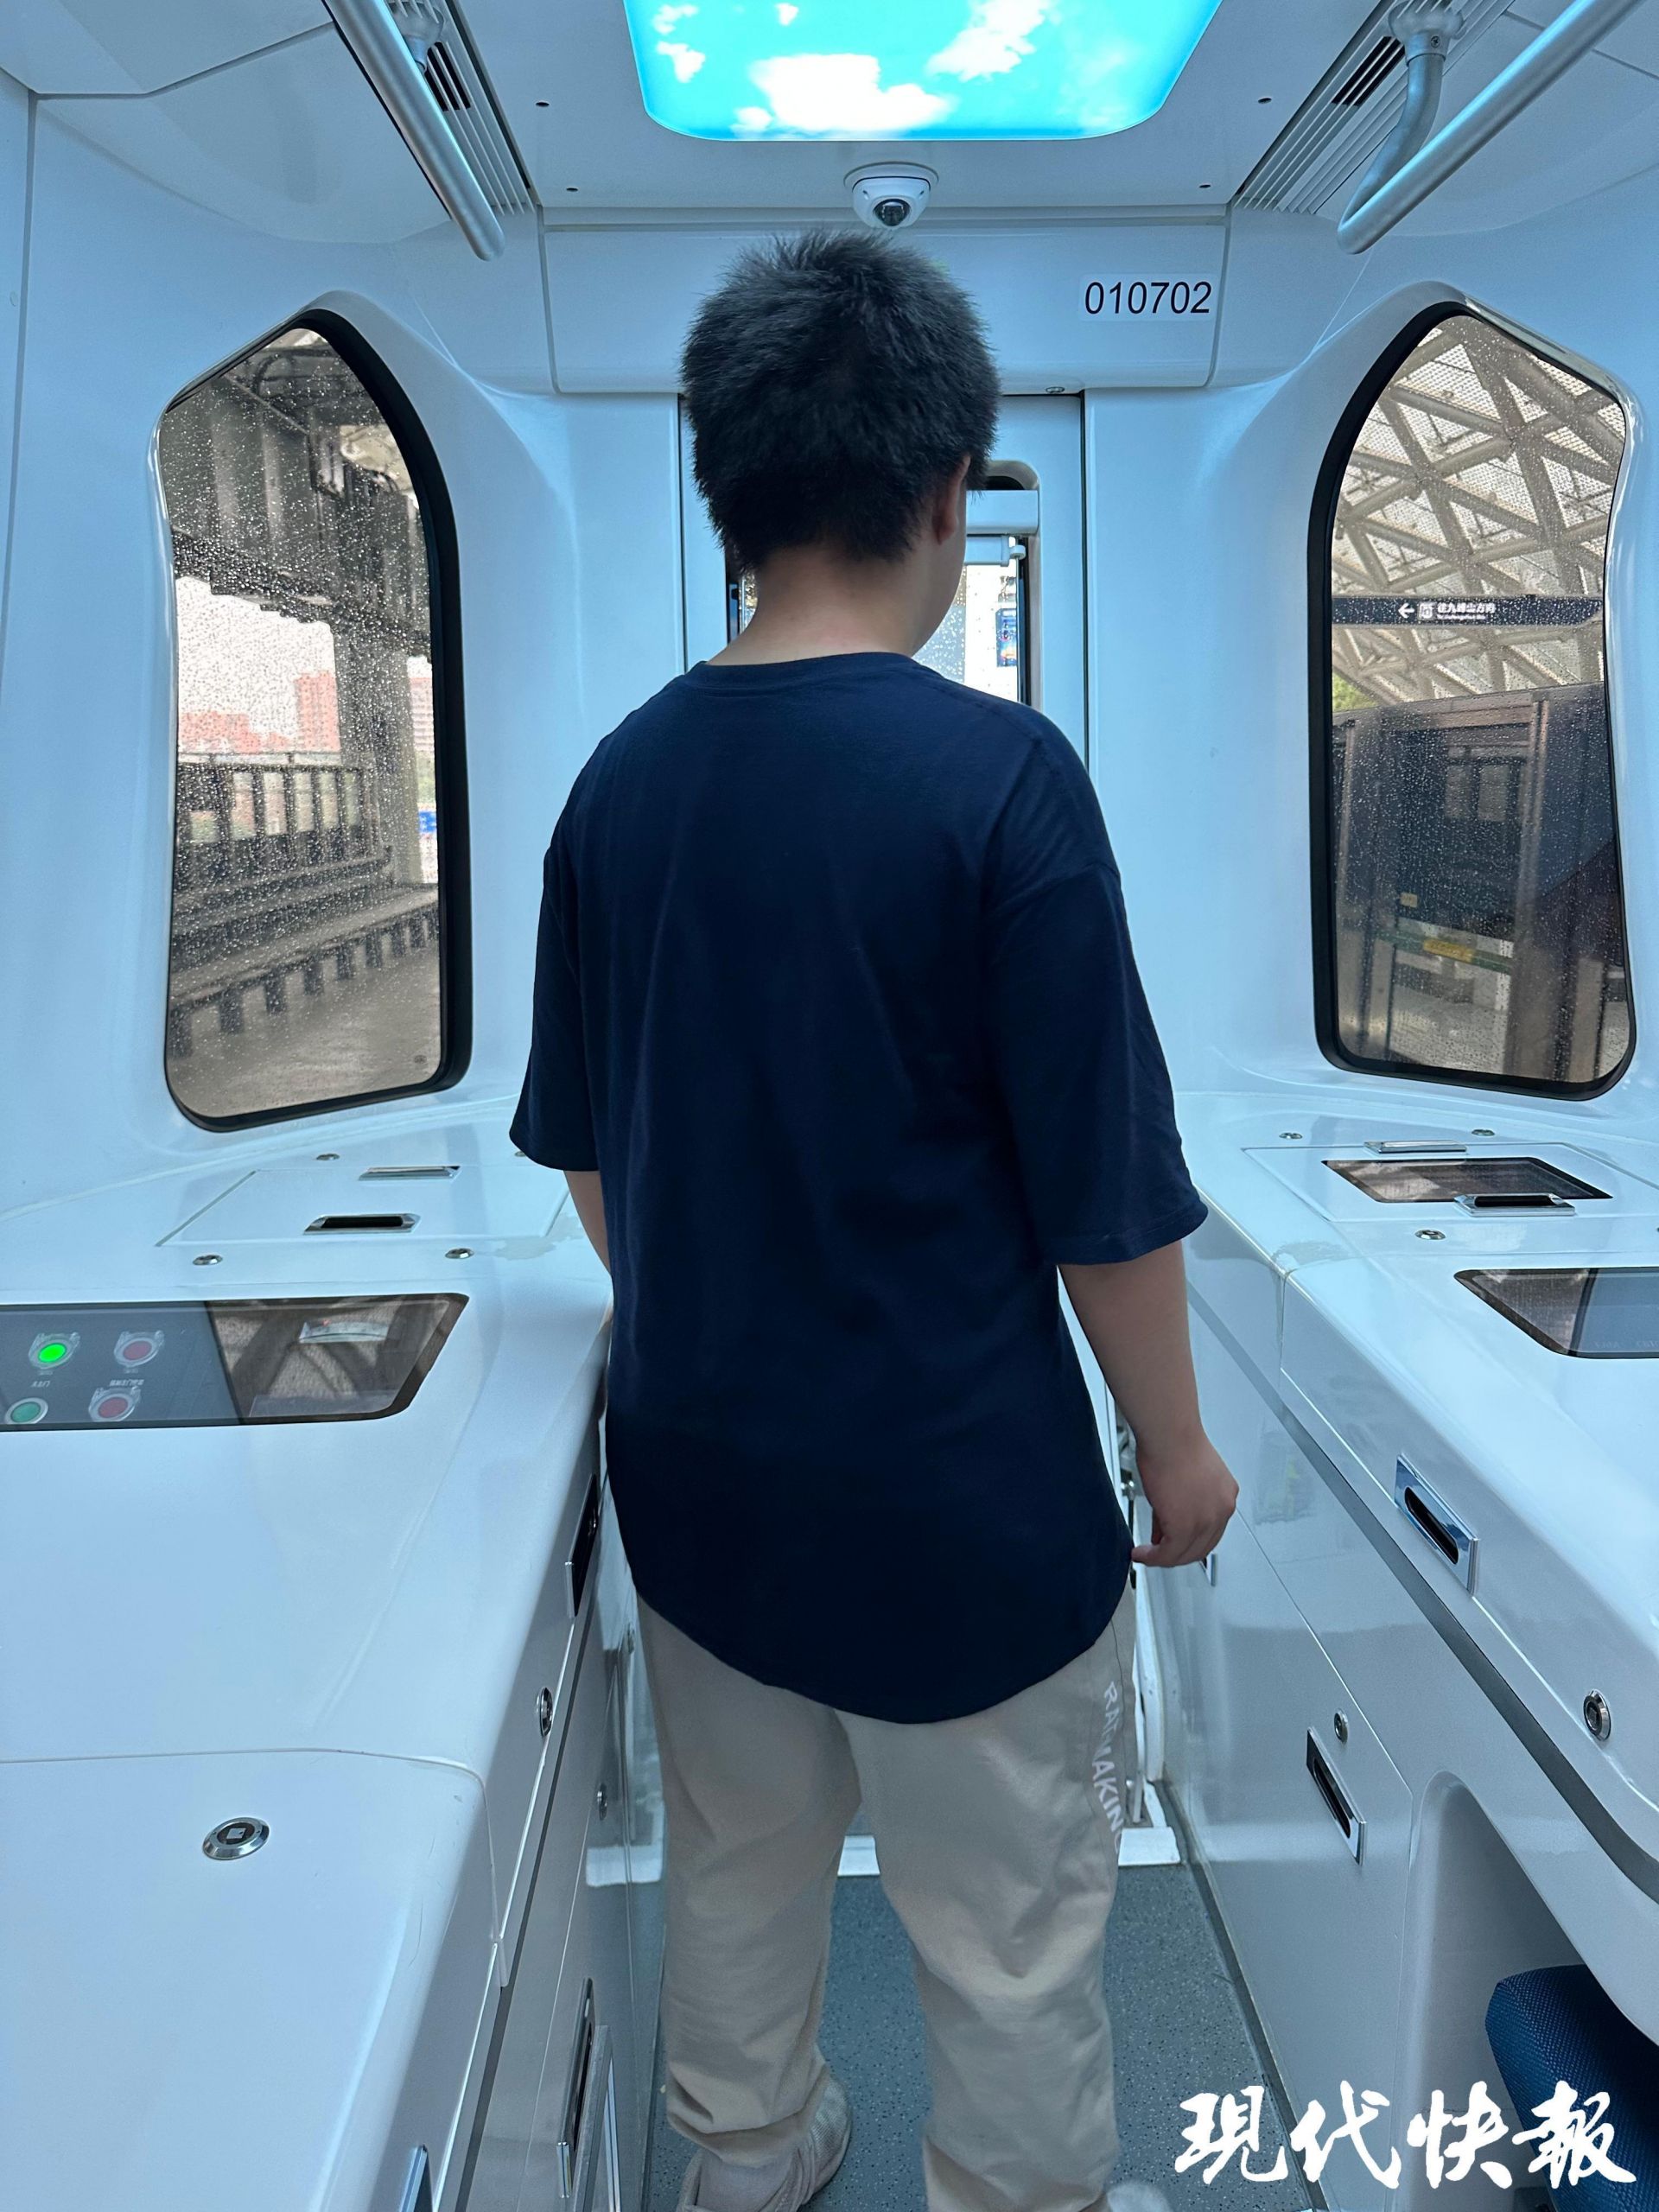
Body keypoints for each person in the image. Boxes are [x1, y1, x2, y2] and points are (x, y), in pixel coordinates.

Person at [512, 230, 1237, 2212]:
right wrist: (1175, 1445)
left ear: (727, 498)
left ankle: (749, 2158)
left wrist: (720, 1310)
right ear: (941, 494)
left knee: (738, 1869)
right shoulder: (1000, 781)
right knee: (1007, 1930)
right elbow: (1105, 1194)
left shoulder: (617, 790)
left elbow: (589, 1151)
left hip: (708, 1496)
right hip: (961, 1511)